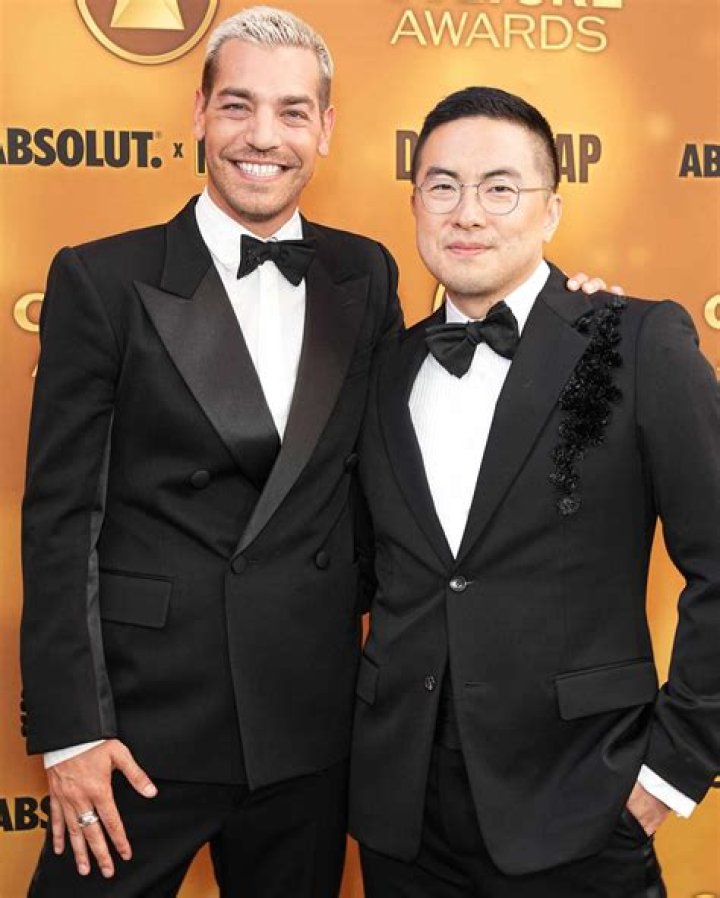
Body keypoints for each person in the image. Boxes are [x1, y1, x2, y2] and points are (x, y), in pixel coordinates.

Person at [20, 7, 613, 893]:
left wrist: (574, 313)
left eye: (293, 111)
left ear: (326, 128)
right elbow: (61, 521)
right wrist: (72, 730)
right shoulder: (101, 279)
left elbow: (421, 423)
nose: (264, 136)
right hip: (137, 731)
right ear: (199, 114)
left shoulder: (365, 273)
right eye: (238, 106)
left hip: (311, 724)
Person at [349, 86, 720, 898]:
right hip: (402, 816)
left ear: (551, 210)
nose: (467, 214)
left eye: (500, 188)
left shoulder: (636, 342)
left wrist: (670, 772)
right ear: (414, 205)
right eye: (442, 186)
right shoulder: (383, 370)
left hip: (584, 805)